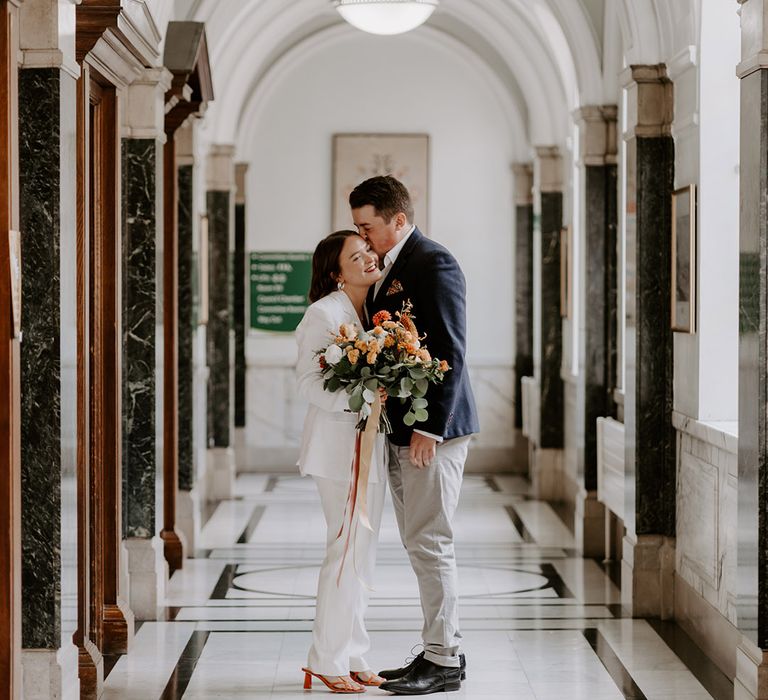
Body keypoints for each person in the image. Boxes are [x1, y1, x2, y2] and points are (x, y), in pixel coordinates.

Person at [349, 176, 479, 695]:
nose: (363, 238)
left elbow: (450, 349)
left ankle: (443, 660)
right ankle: (437, 649)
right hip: (403, 428)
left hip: (433, 431)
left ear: (398, 220)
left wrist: (430, 426)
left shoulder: (433, 262)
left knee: (430, 540)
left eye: (369, 227)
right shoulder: (390, 267)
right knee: (419, 540)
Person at [296, 230, 388, 694]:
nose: (370, 258)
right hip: (337, 450)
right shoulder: (323, 313)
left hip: (370, 447)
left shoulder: (370, 311)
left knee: (362, 554)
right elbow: (309, 384)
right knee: (344, 550)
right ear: (337, 272)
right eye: (358, 255)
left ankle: (353, 654)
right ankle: (325, 658)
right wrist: (363, 394)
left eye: (369, 250)